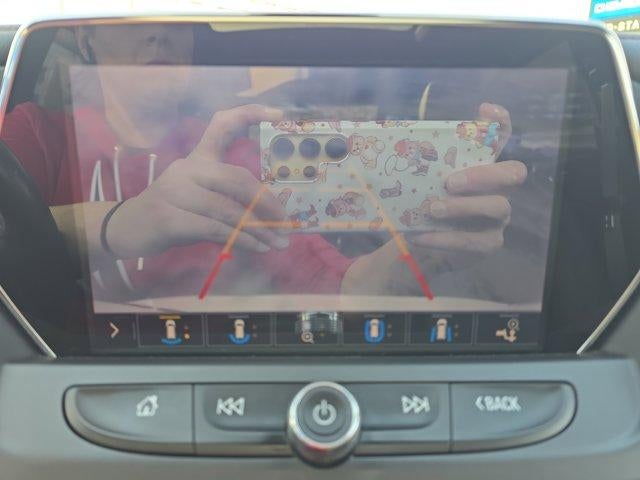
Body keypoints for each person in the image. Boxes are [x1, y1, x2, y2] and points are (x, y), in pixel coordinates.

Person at [0, 24, 526, 302]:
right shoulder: (35, 132)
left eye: (179, 14)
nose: (159, 28)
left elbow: (335, 285)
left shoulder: (236, 154)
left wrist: (421, 253)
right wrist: (125, 222)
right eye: (132, 7)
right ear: (85, 36)